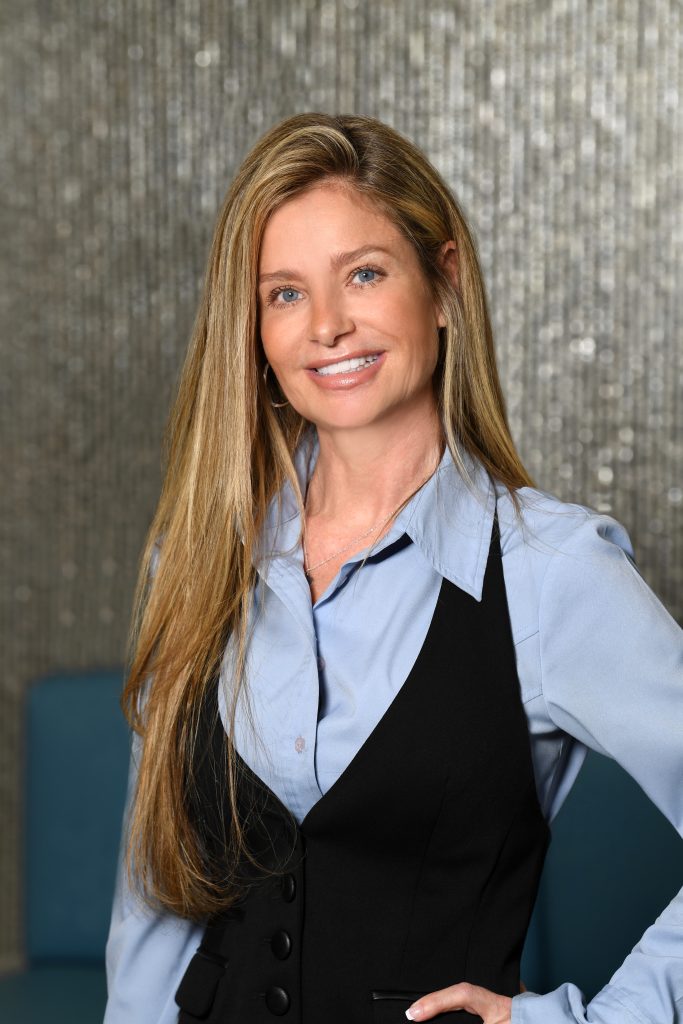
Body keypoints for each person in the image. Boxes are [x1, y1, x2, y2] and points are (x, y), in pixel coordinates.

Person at [103, 112, 683, 1024]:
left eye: (363, 275)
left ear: (444, 285)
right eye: (284, 294)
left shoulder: (550, 574)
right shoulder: (196, 558)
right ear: (254, 333)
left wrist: (581, 1023)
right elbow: (154, 901)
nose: (327, 326)